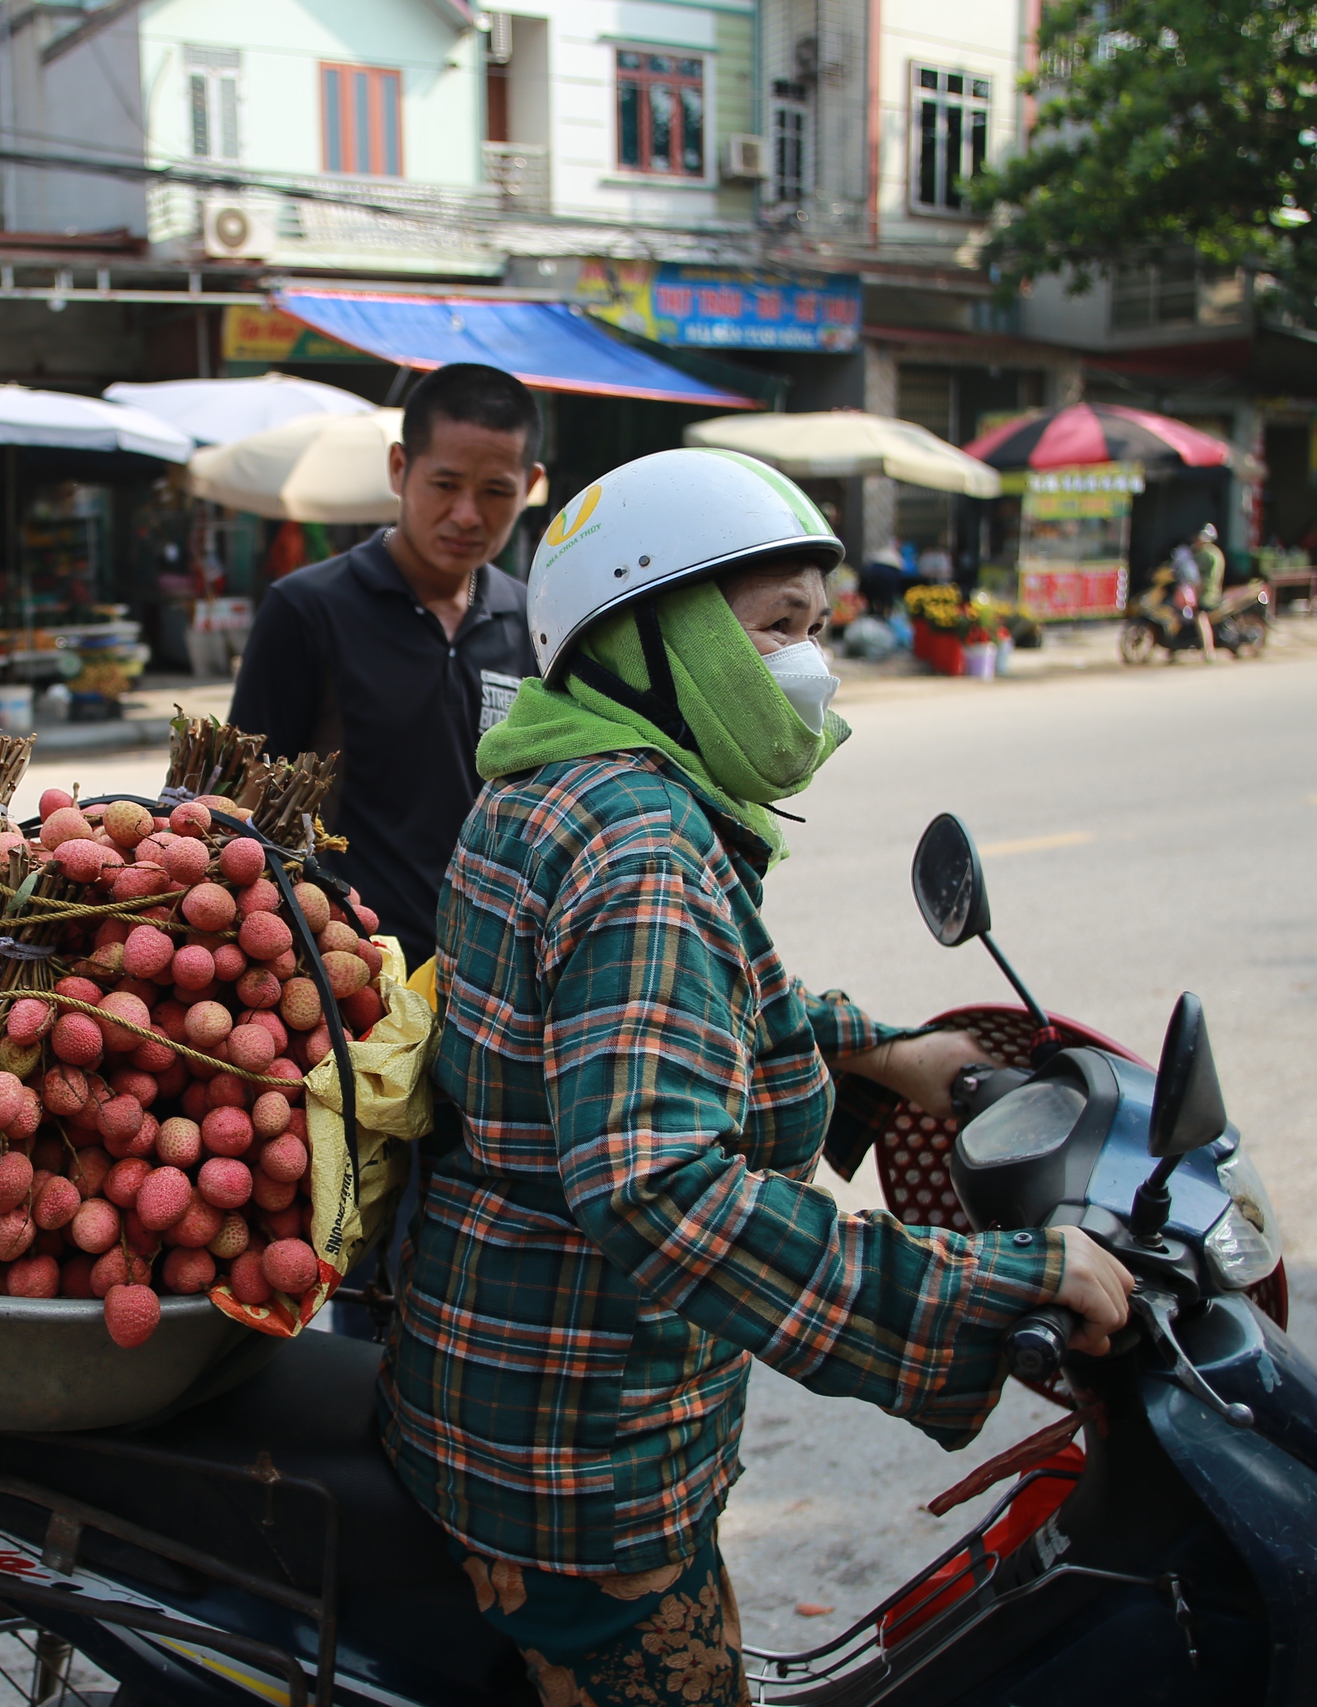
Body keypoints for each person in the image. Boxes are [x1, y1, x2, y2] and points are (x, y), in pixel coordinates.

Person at [380, 448, 1135, 1706]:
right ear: (650, 636)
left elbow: (675, 1007)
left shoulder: (557, 783)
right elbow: (655, 1188)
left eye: (817, 628)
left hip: (492, 1375)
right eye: (776, 626)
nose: (809, 665)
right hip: (578, 1447)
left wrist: (885, 1051)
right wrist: (995, 1284)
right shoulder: (644, 845)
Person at [228, 363, 547, 968]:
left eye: (496, 491)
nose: (467, 514)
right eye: (445, 484)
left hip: (493, 967)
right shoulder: (307, 610)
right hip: (345, 963)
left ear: (529, 484)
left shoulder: (532, 619)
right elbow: (243, 800)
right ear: (400, 469)